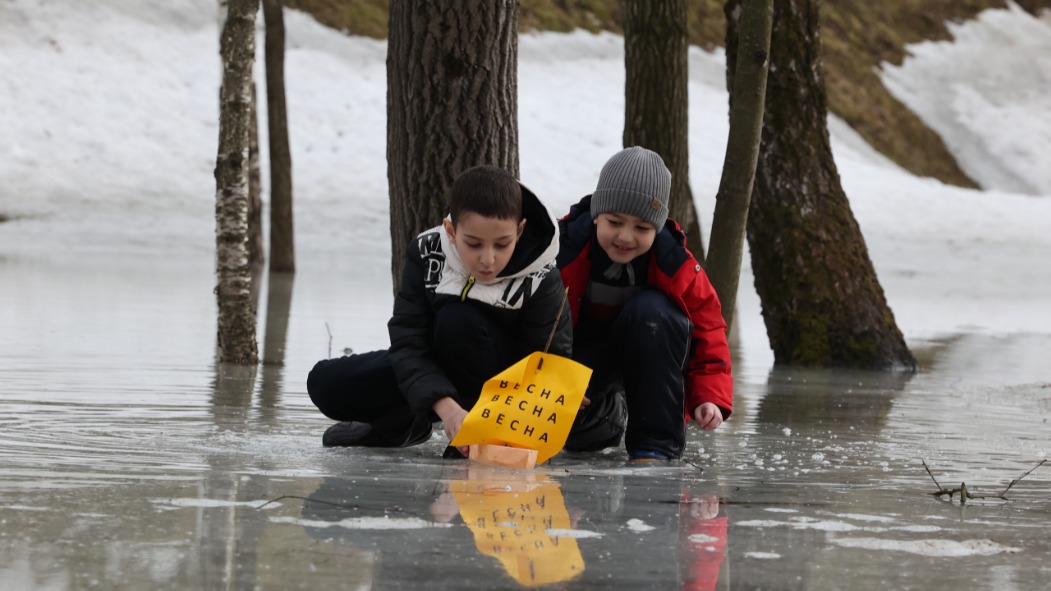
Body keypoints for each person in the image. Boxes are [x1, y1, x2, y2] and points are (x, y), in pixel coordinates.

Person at [307, 165, 572, 457]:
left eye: (502, 244)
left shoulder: (543, 277)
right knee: (325, 382)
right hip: (431, 374)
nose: (488, 259)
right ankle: (403, 424)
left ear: (519, 230)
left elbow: (544, 365)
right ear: (451, 230)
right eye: (473, 244)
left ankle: (474, 431)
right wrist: (447, 409)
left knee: (458, 319)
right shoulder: (426, 251)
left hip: (498, 395)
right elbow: (409, 342)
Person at [556, 146, 733, 461]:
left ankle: (655, 445)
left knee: (654, 312)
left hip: (648, 351)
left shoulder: (675, 263)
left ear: (658, 227)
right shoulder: (561, 252)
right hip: (578, 362)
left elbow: (709, 328)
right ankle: (608, 419)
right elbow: (534, 321)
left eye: (642, 228)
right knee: (578, 435)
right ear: (597, 215)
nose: (625, 236)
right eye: (614, 221)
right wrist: (553, 380)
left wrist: (709, 396)